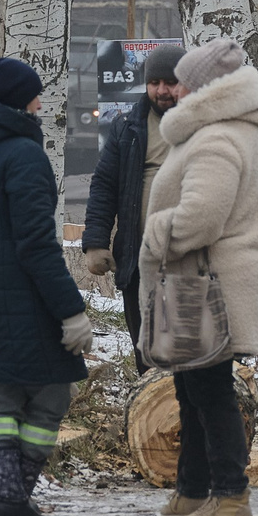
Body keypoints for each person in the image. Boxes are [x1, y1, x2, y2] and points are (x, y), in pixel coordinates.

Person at [0, 57, 94, 516]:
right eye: (34, 95)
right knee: (51, 395)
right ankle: (12, 502)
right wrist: (71, 309)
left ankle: (7, 503)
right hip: (23, 292)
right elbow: (36, 243)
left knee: (1, 399)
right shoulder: (23, 155)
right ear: (18, 100)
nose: (40, 104)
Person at [142, 39, 258, 516]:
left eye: (181, 82)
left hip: (205, 283)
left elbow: (199, 219)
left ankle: (231, 497)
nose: (173, 91)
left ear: (201, 88)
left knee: (210, 392)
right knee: (192, 388)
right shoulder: (222, 131)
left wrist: (154, 234)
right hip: (199, 282)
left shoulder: (216, 138)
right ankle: (194, 489)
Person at [81, 44, 183, 349]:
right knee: (145, 348)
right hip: (138, 259)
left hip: (189, 262)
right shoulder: (126, 129)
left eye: (170, 82)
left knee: (186, 351)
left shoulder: (203, 127)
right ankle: (152, 397)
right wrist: (96, 243)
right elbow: (104, 186)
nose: (162, 90)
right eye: (155, 83)